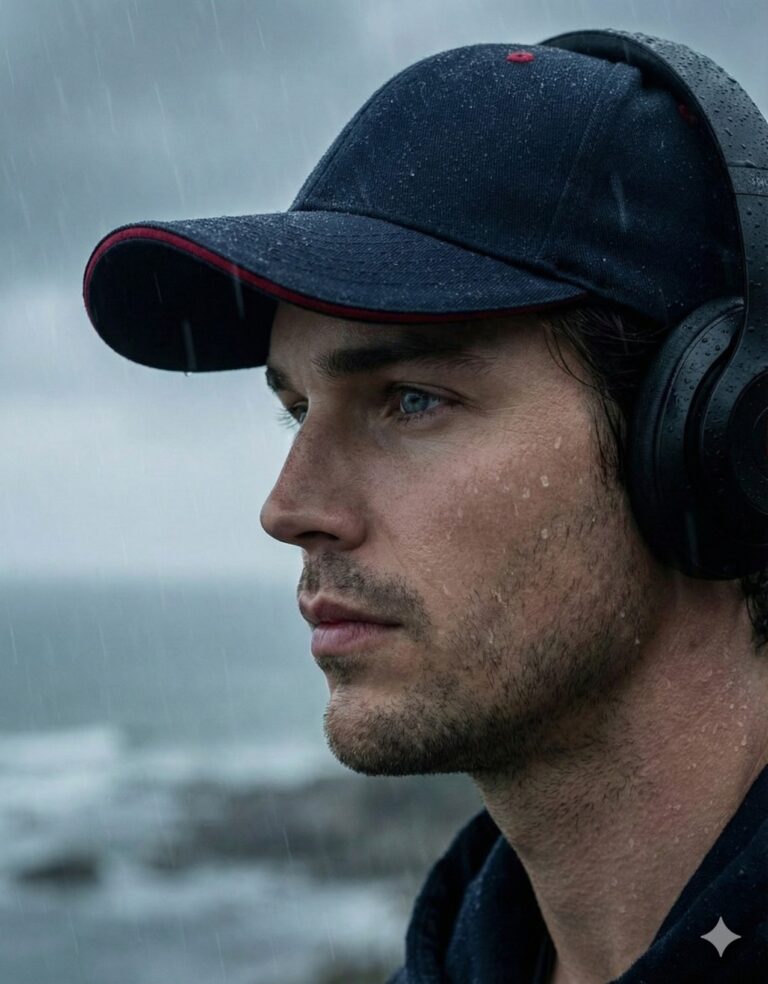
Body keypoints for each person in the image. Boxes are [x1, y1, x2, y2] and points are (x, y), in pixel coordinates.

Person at [83, 31, 767, 984]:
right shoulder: (462, 953)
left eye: (410, 400)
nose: (287, 508)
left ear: (712, 443)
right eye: (297, 411)